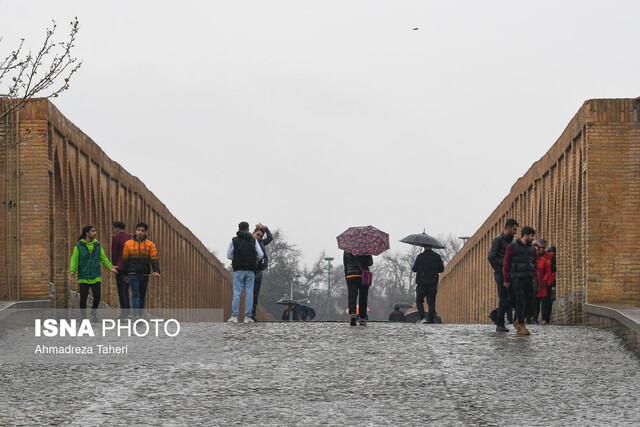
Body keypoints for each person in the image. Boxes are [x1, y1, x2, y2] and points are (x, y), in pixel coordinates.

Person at [69, 225, 118, 321]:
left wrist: (109, 266)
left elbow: (103, 258)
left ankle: (93, 312)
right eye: (93, 231)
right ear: (87, 233)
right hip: (83, 275)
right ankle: (83, 317)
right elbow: (74, 259)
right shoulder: (79, 245)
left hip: (96, 275)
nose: (95, 233)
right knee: (83, 298)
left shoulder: (98, 245)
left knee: (97, 297)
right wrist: (72, 271)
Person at [503, 226, 538, 335]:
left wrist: (534, 274)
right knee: (520, 301)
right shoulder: (512, 246)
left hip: (528, 278)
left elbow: (535, 262)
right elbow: (506, 263)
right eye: (532, 236)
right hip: (517, 278)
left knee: (531, 302)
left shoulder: (532, 249)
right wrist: (506, 279)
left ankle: (518, 321)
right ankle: (522, 325)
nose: (533, 238)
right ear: (525, 235)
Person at [227, 221, 263, 324]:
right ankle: (248, 317)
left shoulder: (234, 240)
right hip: (250, 270)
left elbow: (229, 255)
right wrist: (251, 258)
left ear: (238, 229)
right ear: (248, 229)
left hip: (238, 269)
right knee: (249, 294)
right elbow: (260, 255)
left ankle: (234, 317)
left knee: (237, 293)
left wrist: (238, 258)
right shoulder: (253, 240)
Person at [123, 222, 161, 319]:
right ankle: (136, 315)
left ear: (145, 232)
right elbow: (125, 259)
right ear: (135, 231)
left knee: (142, 295)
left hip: (145, 273)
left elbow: (154, 258)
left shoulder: (150, 245)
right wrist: (125, 274)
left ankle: (139, 314)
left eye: (142, 231)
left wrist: (156, 270)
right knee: (135, 294)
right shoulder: (128, 244)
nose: (140, 232)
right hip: (132, 273)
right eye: (138, 230)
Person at [488, 219, 518, 332]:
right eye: (514, 230)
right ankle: (500, 324)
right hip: (501, 273)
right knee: (503, 297)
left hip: (510, 273)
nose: (515, 232)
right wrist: (501, 268)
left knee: (513, 298)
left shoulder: (513, 242)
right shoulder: (498, 240)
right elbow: (491, 256)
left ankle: (496, 313)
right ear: (508, 228)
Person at [412, 244, 445, 324]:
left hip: (421, 283)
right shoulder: (436, 257)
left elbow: (414, 269)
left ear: (423, 246)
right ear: (432, 246)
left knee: (419, 301)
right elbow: (441, 269)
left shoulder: (420, 257)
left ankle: (423, 318)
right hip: (432, 283)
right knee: (431, 302)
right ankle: (431, 320)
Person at [343, 251, 373, 326]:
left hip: (351, 275)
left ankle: (353, 313)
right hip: (363, 275)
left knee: (352, 296)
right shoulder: (366, 248)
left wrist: (347, 275)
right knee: (363, 296)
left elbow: (345, 264)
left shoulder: (347, 249)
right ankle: (362, 317)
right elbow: (370, 263)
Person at [251, 223, 273, 321]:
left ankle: (252, 314)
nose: (259, 237)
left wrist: (265, 228)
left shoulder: (262, 243)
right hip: (251, 271)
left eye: (260, 236)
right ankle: (249, 315)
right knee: (250, 294)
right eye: (258, 235)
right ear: (253, 233)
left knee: (255, 295)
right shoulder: (250, 242)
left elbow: (270, 238)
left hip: (259, 271)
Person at [111, 221, 132, 318]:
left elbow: (114, 253)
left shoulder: (116, 238)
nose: (114, 231)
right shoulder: (132, 237)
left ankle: (124, 313)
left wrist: (114, 265)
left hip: (120, 267)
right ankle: (128, 311)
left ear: (117, 229)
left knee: (121, 290)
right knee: (127, 289)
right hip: (131, 267)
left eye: (114, 229)